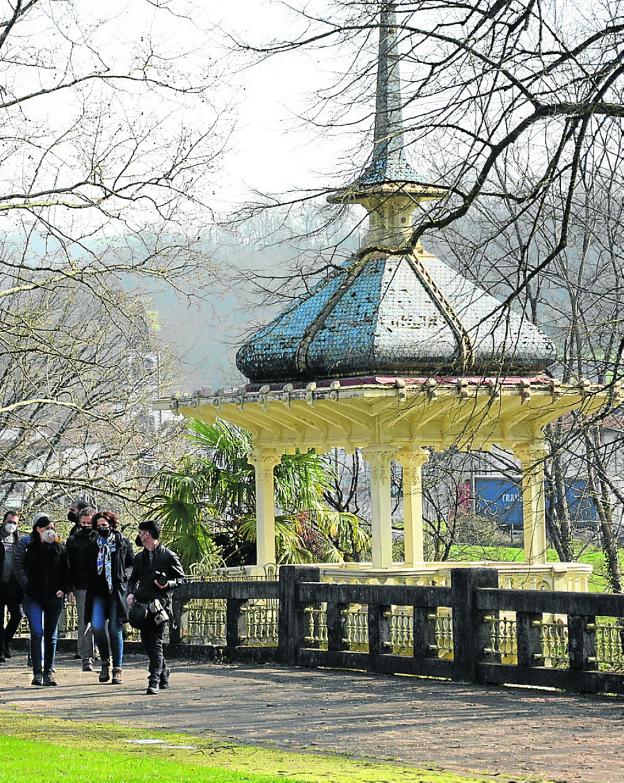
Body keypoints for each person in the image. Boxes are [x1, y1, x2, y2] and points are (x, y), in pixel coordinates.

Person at [127, 520, 186, 695]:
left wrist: (167, 584)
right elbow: (133, 579)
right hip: (143, 605)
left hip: (161, 606)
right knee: (147, 644)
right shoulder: (139, 557)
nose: (139, 535)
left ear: (148, 534)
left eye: (141, 532)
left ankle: (153, 680)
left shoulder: (168, 556)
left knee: (156, 643)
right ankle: (164, 671)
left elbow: (182, 579)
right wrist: (131, 593)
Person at [14, 513, 70, 686]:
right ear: (38, 529)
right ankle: (37, 672)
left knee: (51, 635)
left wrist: (64, 589)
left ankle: (49, 672)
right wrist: (27, 585)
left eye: (52, 528)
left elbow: (67, 569)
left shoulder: (60, 547)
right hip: (33, 596)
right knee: (37, 632)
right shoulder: (29, 546)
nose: (50, 532)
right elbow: (19, 566)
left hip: (54, 596)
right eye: (47, 529)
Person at [84, 511, 133, 685]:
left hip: (116, 591)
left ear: (111, 524)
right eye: (98, 526)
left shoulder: (122, 542)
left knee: (114, 628)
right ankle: (105, 661)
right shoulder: (92, 544)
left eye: (104, 525)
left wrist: (124, 577)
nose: (101, 528)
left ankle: (117, 669)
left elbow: (130, 564)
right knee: (96, 626)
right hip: (98, 592)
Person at [66, 506, 96, 671]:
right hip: (80, 586)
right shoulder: (72, 540)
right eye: (83, 522)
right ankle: (86, 657)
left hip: (99, 586)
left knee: (100, 623)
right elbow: (68, 565)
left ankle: (100, 652)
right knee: (84, 622)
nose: (86, 525)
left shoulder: (100, 537)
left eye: (89, 522)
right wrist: (69, 587)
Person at [0, 511, 23, 662]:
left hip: (13, 586)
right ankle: (1, 650)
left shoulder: (18, 539)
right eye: (10, 522)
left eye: (15, 523)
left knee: (17, 615)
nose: (12, 525)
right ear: (3, 521)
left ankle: (6, 641)